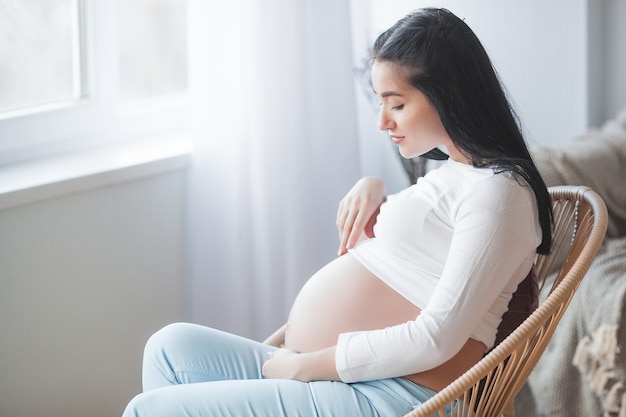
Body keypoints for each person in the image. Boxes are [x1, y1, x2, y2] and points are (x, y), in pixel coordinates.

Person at [122, 7, 553, 417]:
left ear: (449, 97)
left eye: (396, 104)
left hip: (400, 396)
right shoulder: (455, 173)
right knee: (168, 347)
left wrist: (306, 366)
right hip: (348, 379)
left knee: (148, 410)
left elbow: (436, 337)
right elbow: (416, 255)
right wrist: (376, 189)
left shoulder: (501, 193)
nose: (383, 122)